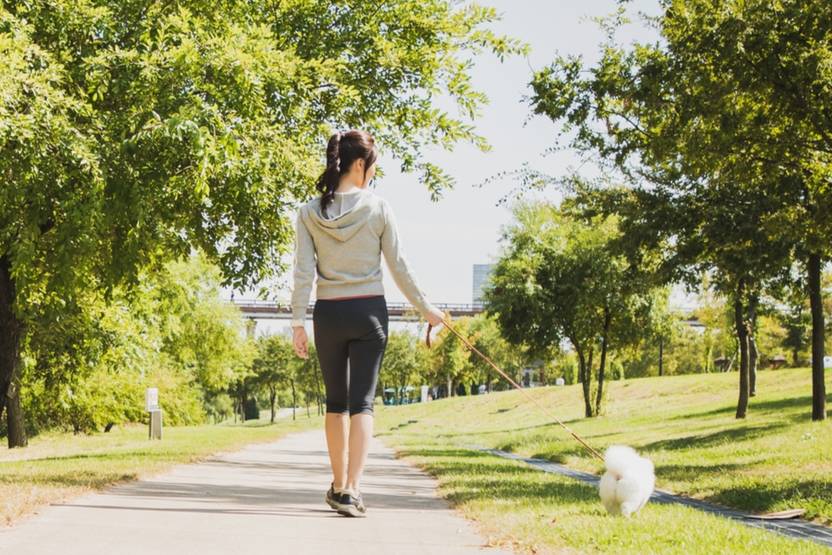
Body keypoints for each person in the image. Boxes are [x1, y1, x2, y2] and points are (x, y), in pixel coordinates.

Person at [290, 129, 446, 517]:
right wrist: (427, 310)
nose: (374, 173)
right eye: (374, 166)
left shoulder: (309, 212)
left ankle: (338, 484)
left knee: (336, 403)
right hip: (369, 314)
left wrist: (297, 322)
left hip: (329, 314)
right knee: (362, 404)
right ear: (359, 164)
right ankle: (352, 490)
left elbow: (303, 273)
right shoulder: (378, 208)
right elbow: (399, 267)